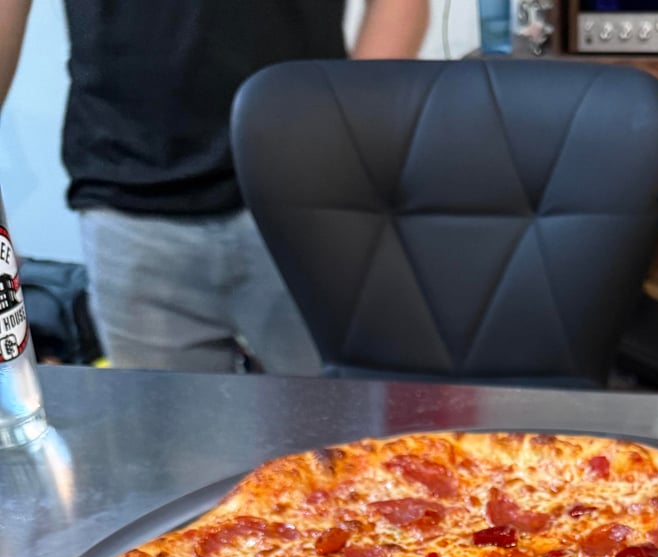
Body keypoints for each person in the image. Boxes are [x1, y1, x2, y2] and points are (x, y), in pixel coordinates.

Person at [0, 0, 430, 374]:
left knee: (351, 431)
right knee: (167, 440)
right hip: (129, 205)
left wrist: (344, 128)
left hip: (307, 198)